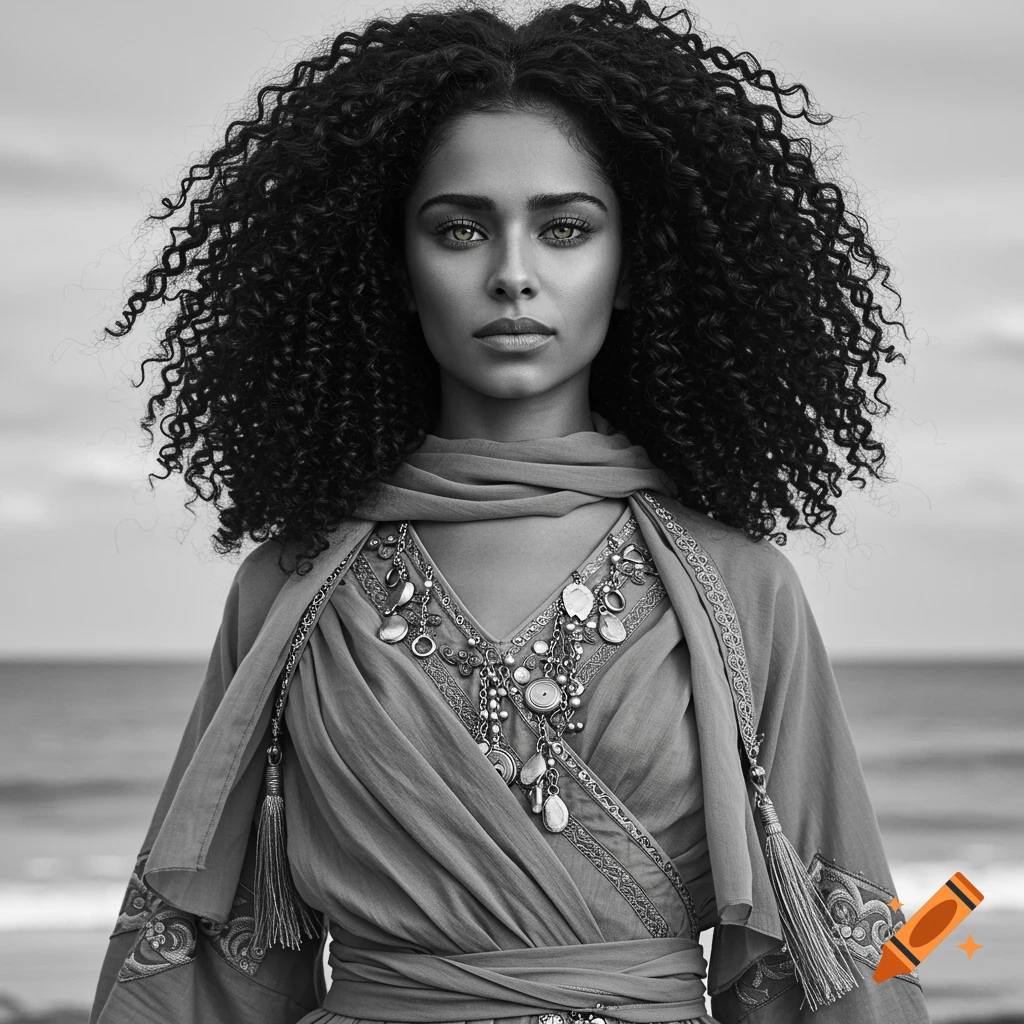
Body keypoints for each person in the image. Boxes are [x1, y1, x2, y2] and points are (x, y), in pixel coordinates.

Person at [88, 1, 932, 1021]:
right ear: (394, 267)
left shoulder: (740, 585)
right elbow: (219, 964)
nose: (513, 273)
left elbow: (811, 961)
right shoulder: (287, 589)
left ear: (630, 270)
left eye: (566, 227)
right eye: (458, 228)